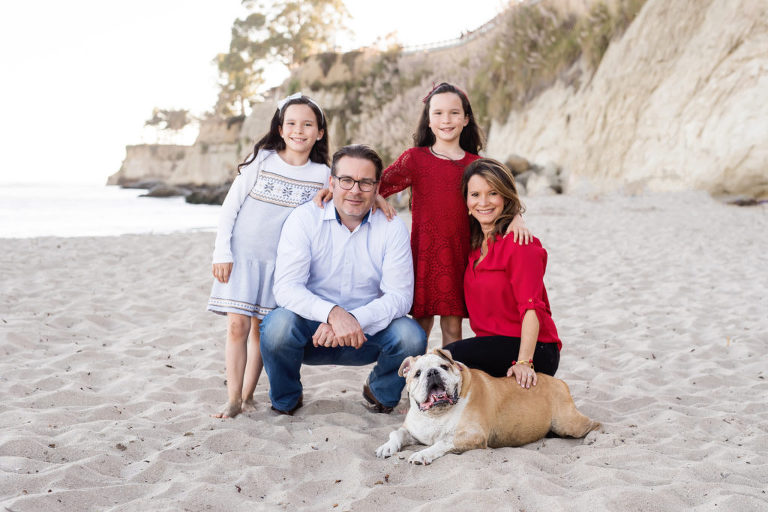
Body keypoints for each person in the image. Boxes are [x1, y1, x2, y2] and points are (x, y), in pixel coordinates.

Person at [260, 144, 427, 415]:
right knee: (277, 327)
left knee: (410, 336)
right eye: (346, 180)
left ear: (377, 187)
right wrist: (333, 315)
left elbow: (400, 297)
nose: (355, 190)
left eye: (365, 182)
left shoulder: (391, 226)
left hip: (367, 331)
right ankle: (286, 398)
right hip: (311, 332)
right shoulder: (304, 219)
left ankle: (380, 391)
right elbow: (286, 288)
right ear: (332, 182)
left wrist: (355, 319)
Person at [376, 82, 531, 346]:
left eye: (454, 113)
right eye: (437, 113)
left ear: (466, 118)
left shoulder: (476, 164)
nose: (446, 120)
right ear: (428, 119)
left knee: (452, 328)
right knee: (419, 328)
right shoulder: (415, 158)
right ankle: (414, 383)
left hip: (459, 254)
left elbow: (502, 197)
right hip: (423, 254)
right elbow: (375, 185)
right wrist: (379, 196)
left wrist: (517, 216)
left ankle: (449, 384)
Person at [207, 92, 331, 418]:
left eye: (307, 124)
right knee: (237, 327)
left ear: (320, 131)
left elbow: (351, 194)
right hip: (242, 257)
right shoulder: (262, 159)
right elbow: (230, 208)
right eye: (290, 123)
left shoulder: (322, 174)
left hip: (281, 267)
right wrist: (222, 252)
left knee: (262, 330)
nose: (298, 130)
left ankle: (248, 396)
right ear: (279, 127)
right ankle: (233, 399)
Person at [443, 158, 562, 390]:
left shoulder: (520, 243)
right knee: (444, 360)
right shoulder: (474, 247)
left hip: (535, 349)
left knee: (449, 356)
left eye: (493, 193)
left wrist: (524, 362)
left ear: (506, 197)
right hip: (493, 345)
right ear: (466, 201)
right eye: (475, 194)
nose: (483, 202)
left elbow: (532, 308)